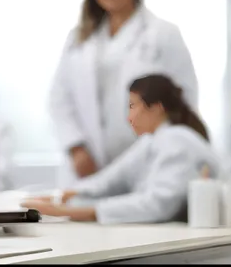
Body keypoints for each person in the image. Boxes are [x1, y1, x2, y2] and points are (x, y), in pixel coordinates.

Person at [48, 0, 199, 186]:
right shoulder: (78, 38)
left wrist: (161, 148)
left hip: (144, 160)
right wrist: (76, 147)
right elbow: (59, 97)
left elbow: (185, 98)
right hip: (86, 164)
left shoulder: (163, 33)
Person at [22, 74, 219, 224]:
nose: (129, 117)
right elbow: (110, 179)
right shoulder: (153, 141)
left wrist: (68, 212)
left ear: (156, 108)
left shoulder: (178, 141)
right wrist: (59, 197)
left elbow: (157, 205)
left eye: (133, 106)